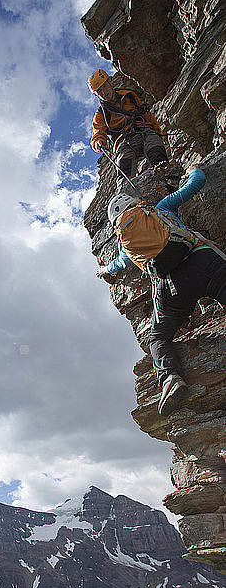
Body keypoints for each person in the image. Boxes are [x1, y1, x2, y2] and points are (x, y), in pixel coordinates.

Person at [96, 168, 226, 417]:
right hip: (201, 259)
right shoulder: (161, 209)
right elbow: (197, 182)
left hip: (170, 285)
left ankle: (170, 379)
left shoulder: (126, 245)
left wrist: (104, 270)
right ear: (135, 205)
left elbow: (118, 265)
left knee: (158, 337)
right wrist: (192, 170)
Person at [88, 69, 169, 183]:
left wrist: (157, 131)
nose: (103, 93)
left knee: (155, 147)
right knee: (124, 165)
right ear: (96, 95)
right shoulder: (101, 114)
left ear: (110, 82)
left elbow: (146, 114)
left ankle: (166, 179)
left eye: (104, 86)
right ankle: (127, 193)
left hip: (143, 130)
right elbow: (98, 133)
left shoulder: (128, 95)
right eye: (99, 91)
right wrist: (98, 142)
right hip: (123, 142)